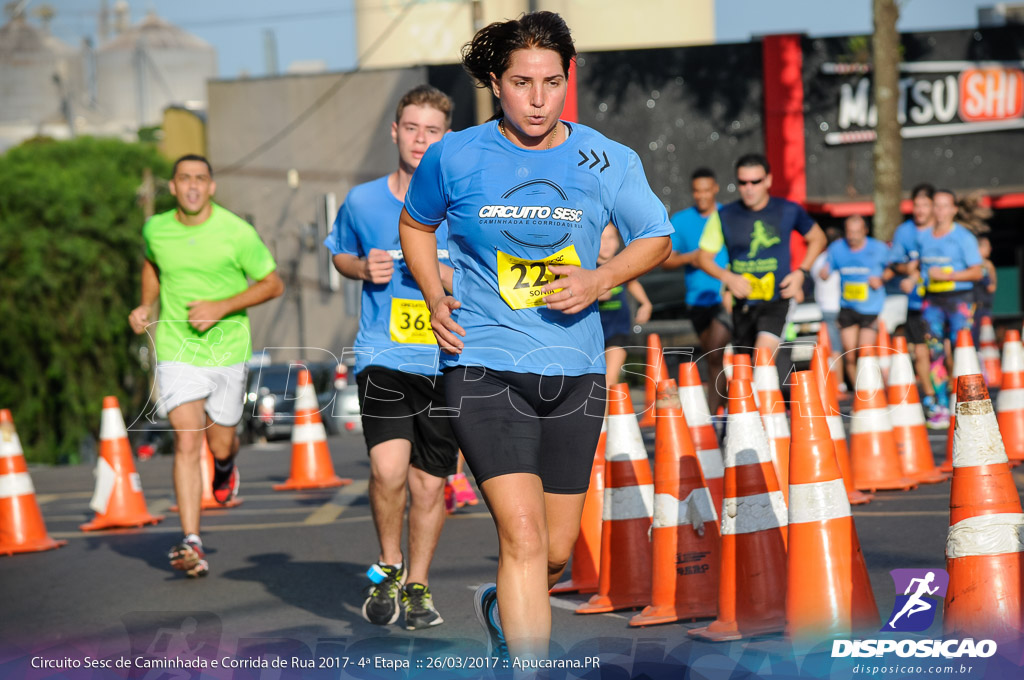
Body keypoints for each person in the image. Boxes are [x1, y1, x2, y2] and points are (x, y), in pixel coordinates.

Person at [398, 10, 672, 664]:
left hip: (573, 371)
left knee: (552, 551)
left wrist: (600, 277)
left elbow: (656, 238)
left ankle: (499, 607)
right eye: (523, 82)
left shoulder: (607, 158)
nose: (539, 97)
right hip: (482, 364)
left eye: (552, 81)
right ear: (497, 82)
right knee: (519, 538)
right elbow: (415, 226)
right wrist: (436, 296)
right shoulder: (455, 154)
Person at [324, 85, 459, 631]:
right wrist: (363, 269)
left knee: (429, 485)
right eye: (412, 128)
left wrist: (442, 274)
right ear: (395, 131)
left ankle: (419, 586)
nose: (420, 139)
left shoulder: (463, 203)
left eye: (432, 130)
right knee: (387, 469)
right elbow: (339, 252)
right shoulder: (362, 201)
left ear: (445, 137)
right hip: (384, 353)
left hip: (448, 358)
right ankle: (390, 562)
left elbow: (491, 273)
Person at [128, 154, 284, 578]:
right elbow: (152, 264)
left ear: (211, 186)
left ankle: (226, 466)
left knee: (220, 443)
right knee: (187, 441)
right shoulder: (156, 229)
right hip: (177, 348)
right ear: (173, 187)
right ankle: (191, 540)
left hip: (227, 351)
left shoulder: (236, 232)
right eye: (184, 179)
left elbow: (273, 283)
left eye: (200, 179)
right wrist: (146, 304)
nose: (193, 186)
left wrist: (222, 306)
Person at [695, 153, 827, 362]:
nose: (749, 188)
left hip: (778, 298)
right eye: (743, 182)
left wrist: (801, 273)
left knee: (762, 356)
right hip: (743, 304)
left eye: (755, 182)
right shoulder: (724, 215)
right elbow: (703, 258)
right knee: (745, 366)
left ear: (768, 180)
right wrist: (728, 278)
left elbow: (818, 238)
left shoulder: (788, 210)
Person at [662, 167, 731, 414]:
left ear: (715, 189)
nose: (701, 196)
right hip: (696, 300)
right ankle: (724, 408)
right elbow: (665, 259)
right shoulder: (681, 220)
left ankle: (715, 414)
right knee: (714, 358)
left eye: (706, 190)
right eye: (696, 191)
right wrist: (691, 258)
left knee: (715, 351)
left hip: (725, 297)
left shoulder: (729, 215)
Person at [917, 189, 984, 419]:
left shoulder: (964, 237)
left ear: (954, 210)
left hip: (960, 299)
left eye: (945, 206)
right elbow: (921, 269)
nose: (940, 211)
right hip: (933, 301)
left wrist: (949, 276)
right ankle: (942, 406)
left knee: (962, 350)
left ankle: (971, 402)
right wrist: (911, 278)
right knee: (934, 353)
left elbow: (977, 272)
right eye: (936, 205)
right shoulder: (924, 236)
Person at [888, 183, 941, 421]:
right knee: (920, 353)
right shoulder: (904, 232)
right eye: (916, 205)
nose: (919, 210)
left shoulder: (943, 230)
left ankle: (947, 394)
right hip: (915, 303)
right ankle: (931, 400)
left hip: (942, 301)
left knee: (942, 352)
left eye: (924, 205)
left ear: (934, 206)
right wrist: (905, 268)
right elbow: (894, 264)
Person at [818, 215, 889, 385]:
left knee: (865, 352)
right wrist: (824, 272)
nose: (853, 237)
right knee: (849, 354)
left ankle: (874, 387)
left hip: (870, 308)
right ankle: (859, 389)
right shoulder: (837, 248)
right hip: (847, 307)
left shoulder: (879, 248)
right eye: (850, 232)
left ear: (865, 231)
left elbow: (894, 268)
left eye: (857, 232)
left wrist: (882, 279)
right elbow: (827, 268)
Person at [598, 223, 653, 393]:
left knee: (609, 377)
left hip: (618, 330)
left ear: (617, 242)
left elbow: (632, 283)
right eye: (601, 238)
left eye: (611, 238)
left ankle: (604, 420)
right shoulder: (586, 266)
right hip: (593, 332)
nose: (606, 243)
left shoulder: (621, 264)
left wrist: (646, 303)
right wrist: (595, 293)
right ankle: (600, 418)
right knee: (592, 380)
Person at [810, 225, 844, 390]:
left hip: (824, 307)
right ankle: (840, 383)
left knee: (833, 346)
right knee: (838, 346)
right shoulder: (839, 258)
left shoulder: (818, 260)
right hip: (839, 306)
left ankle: (837, 382)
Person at [973, 234, 997, 344]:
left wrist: (986, 278)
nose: (990, 249)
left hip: (985, 307)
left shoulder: (988, 265)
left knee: (985, 339)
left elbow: (992, 287)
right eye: (987, 246)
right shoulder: (970, 265)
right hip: (972, 307)